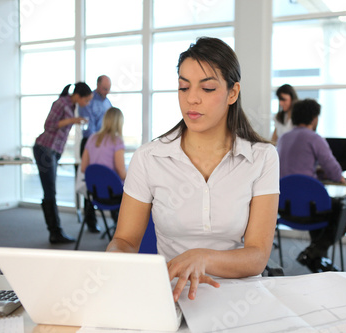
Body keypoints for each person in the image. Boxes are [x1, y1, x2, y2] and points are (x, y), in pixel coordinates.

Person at [106, 37, 280, 302]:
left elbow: (257, 255)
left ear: (232, 93)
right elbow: (125, 240)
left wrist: (203, 257)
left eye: (207, 88)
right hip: (172, 294)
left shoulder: (262, 157)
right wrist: (116, 258)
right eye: (183, 87)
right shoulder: (149, 157)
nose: (192, 99)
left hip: (236, 297)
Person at [276, 98, 346, 272]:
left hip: (284, 208)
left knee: (320, 205)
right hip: (311, 209)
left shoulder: (283, 139)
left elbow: (289, 170)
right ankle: (314, 252)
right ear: (314, 119)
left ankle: (316, 259)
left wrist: (315, 172)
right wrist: (339, 177)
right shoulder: (314, 138)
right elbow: (334, 170)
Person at [33, 82, 93, 244]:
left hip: (53, 151)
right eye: (86, 100)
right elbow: (49, 126)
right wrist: (72, 120)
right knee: (50, 191)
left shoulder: (72, 105)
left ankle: (55, 231)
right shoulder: (61, 103)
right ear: (78, 96)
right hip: (44, 149)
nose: (86, 104)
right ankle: (55, 232)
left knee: (50, 190)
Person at [78, 75, 112, 233]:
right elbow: (88, 125)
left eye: (109, 88)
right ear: (98, 86)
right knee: (90, 181)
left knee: (107, 178)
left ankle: (116, 221)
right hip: (90, 144)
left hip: (105, 144)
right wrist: (96, 144)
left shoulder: (108, 102)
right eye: (105, 88)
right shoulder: (89, 100)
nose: (107, 91)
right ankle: (90, 221)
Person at [81, 107, 126, 223]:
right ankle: (123, 229)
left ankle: (117, 227)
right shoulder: (117, 141)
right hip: (114, 195)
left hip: (95, 193)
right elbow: (122, 173)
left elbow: (83, 168)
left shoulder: (92, 138)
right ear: (119, 122)